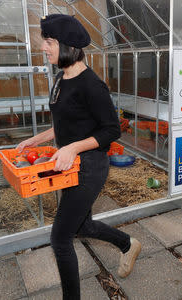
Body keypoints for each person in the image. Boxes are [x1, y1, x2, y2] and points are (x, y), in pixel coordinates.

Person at [16, 14, 141, 300]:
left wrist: (72, 148)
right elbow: (65, 123)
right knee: (82, 225)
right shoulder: (61, 77)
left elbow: (112, 130)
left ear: (68, 45)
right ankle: (127, 244)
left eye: (48, 42)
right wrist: (36, 140)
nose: (43, 48)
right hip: (69, 167)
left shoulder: (91, 85)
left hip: (89, 169)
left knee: (60, 238)